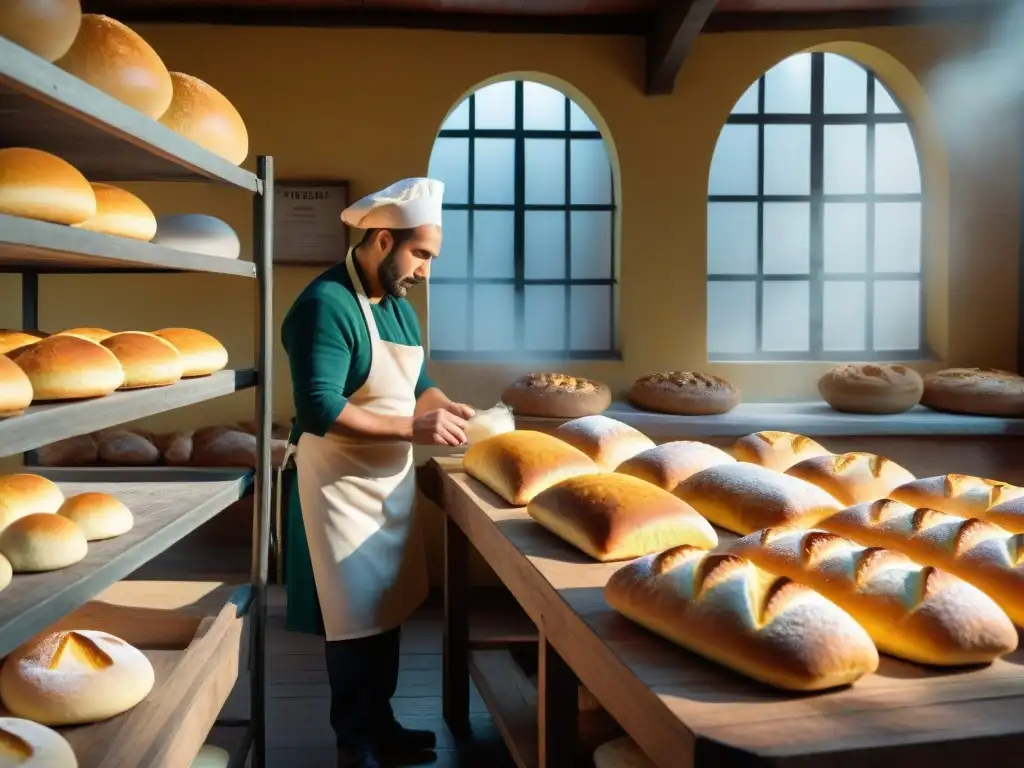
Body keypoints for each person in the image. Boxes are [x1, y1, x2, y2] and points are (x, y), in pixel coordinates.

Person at [280, 177, 474, 768]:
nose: (425, 272)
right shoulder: (325, 305)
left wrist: (446, 408)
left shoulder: (395, 309)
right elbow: (320, 407)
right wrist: (413, 431)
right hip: (335, 488)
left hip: (384, 486)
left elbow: (415, 385)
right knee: (352, 621)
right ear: (383, 240)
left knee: (386, 610)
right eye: (421, 255)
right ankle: (355, 741)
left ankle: (381, 725)